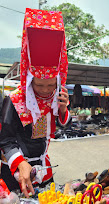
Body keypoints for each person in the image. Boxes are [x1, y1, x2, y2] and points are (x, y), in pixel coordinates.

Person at [0, 8, 70, 198]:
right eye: (39, 85)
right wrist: (20, 163)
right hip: (15, 171)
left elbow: (60, 127)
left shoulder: (57, 96)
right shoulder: (13, 100)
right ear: (29, 80)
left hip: (43, 169)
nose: (46, 90)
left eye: (51, 85)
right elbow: (5, 140)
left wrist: (63, 110)